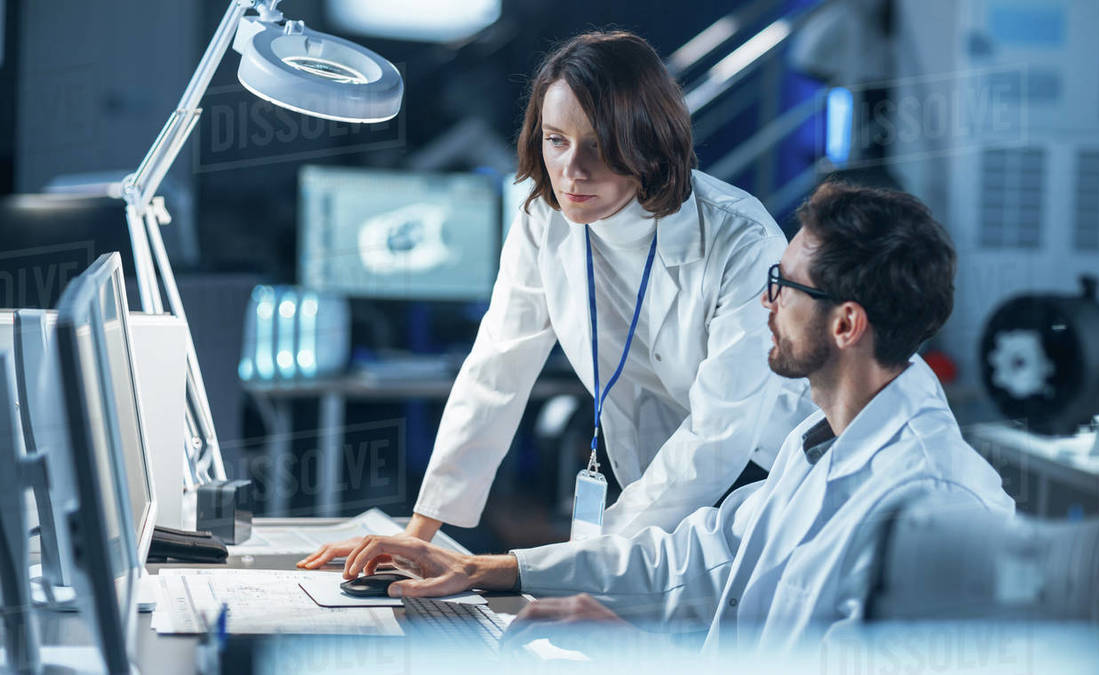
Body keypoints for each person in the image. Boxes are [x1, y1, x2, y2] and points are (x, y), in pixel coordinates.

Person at [328, 182, 1016, 651]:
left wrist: (632, 648)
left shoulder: (939, 506)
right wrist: (492, 569)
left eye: (781, 286)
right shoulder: (820, 450)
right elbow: (693, 560)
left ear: (846, 323)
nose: (763, 303)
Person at [300, 30, 812, 565]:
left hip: (759, 469)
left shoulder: (742, 240)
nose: (571, 170)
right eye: (556, 140)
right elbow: (498, 366)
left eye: (598, 143)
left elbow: (719, 434)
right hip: (654, 472)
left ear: (649, 139)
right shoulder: (545, 217)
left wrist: (575, 563)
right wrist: (421, 529)